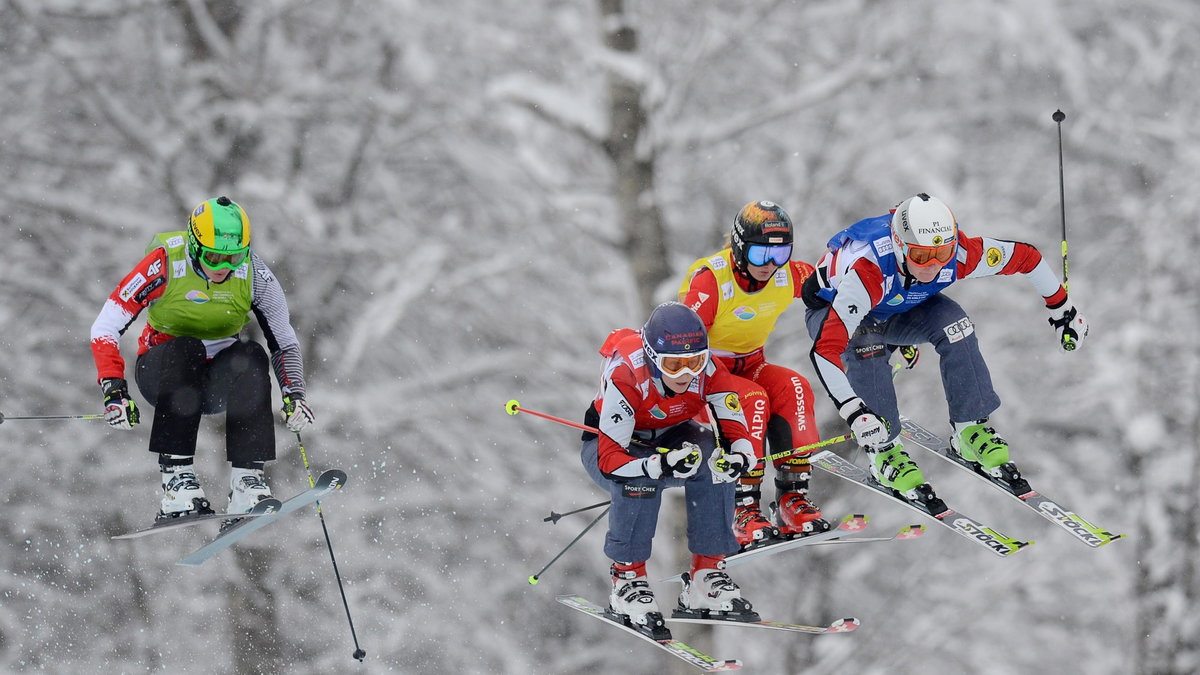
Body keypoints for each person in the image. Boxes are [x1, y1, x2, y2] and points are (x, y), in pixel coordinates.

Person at [803, 193, 1089, 505]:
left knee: (957, 325)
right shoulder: (868, 270)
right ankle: (883, 450)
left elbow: (1027, 258)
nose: (934, 265)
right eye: (922, 256)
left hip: (898, 304)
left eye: (943, 253)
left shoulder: (962, 254)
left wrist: (1063, 309)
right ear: (900, 247)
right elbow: (824, 350)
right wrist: (855, 412)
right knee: (867, 343)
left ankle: (970, 429)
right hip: (833, 310)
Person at [89, 196, 316, 521]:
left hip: (216, 382)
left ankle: (246, 482)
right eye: (213, 257)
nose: (223, 268)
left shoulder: (254, 274)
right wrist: (114, 391)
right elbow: (105, 326)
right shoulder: (164, 263)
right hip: (163, 373)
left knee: (252, 354)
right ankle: (176, 480)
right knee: (188, 348)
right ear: (195, 247)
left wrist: (294, 394)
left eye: (234, 257)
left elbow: (283, 340)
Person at [580, 301, 759, 639]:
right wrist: (659, 464)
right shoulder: (627, 374)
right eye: (674, 365)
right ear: (651, 358)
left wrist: (741, 456)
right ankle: (627, 580)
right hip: (616, 447)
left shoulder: (709, 371)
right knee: (642, 480)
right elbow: (610, 460)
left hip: (673, 437)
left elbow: (737, 429)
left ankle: (706, 575)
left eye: (694, 362)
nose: (686, 374)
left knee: (716, 459)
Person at [677, 200, 827, 550]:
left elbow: (837, 285)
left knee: (795, 387)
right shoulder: (712, 280)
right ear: (739, 248)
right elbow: (680, 341)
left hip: (750, 362)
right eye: (761, 256)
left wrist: (883, 332)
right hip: (704, 373)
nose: (770, 266)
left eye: (781, 254)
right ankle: (742, 506)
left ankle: (792, 498)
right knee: (752, 399)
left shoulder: (788, 274)